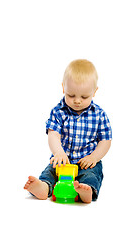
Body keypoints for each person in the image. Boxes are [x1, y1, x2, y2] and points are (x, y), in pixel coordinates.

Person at [24, 59, 112, 203]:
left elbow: (105, 140)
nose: (77, 101)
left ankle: (85, 190)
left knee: (92, 175)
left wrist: (94, 157)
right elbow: (53, 134)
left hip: (87, 162)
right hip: (62, 161)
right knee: (50, 172)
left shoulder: (99, 114)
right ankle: (44, 187)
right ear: (64, 88)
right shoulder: (58, 111)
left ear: (94, 92)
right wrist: (58, 152)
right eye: (71, 95)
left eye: (84, 97)